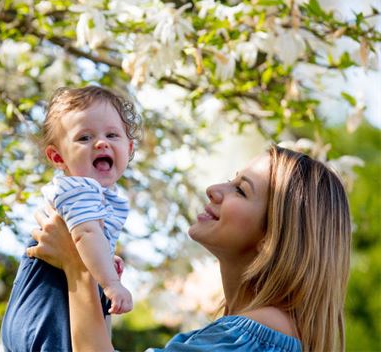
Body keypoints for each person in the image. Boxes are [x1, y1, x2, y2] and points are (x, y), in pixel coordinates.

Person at [27, 145, 351, 352]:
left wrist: (78, 268)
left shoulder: (254, 336)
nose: (214, 189)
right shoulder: (262, 334)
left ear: (274, 235)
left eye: (240, 189)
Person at [1, 86, 142, 351]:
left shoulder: (103, 195)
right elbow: (84, 235)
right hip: (46, 298)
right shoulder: (79, 188)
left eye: (112, 135)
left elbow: (87, 238)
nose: (101, 143)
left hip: (58, 293)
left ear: (129, 147)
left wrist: (104, 260)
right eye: (84, 138)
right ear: (58, 157)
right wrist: (111, 283)